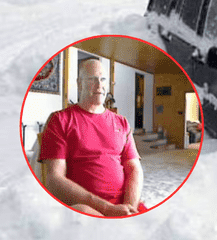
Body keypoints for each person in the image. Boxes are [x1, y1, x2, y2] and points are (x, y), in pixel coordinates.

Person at [39, 58, 146, 217]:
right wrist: (106, 208)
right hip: (87, 207)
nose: (99, 85)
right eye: (92, 79)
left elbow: (134, 168)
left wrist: (128, 207)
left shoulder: (121, 122)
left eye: (103, 79)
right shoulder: (60, 120)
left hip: (123, 205)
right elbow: (54, 180)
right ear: (79, 83)